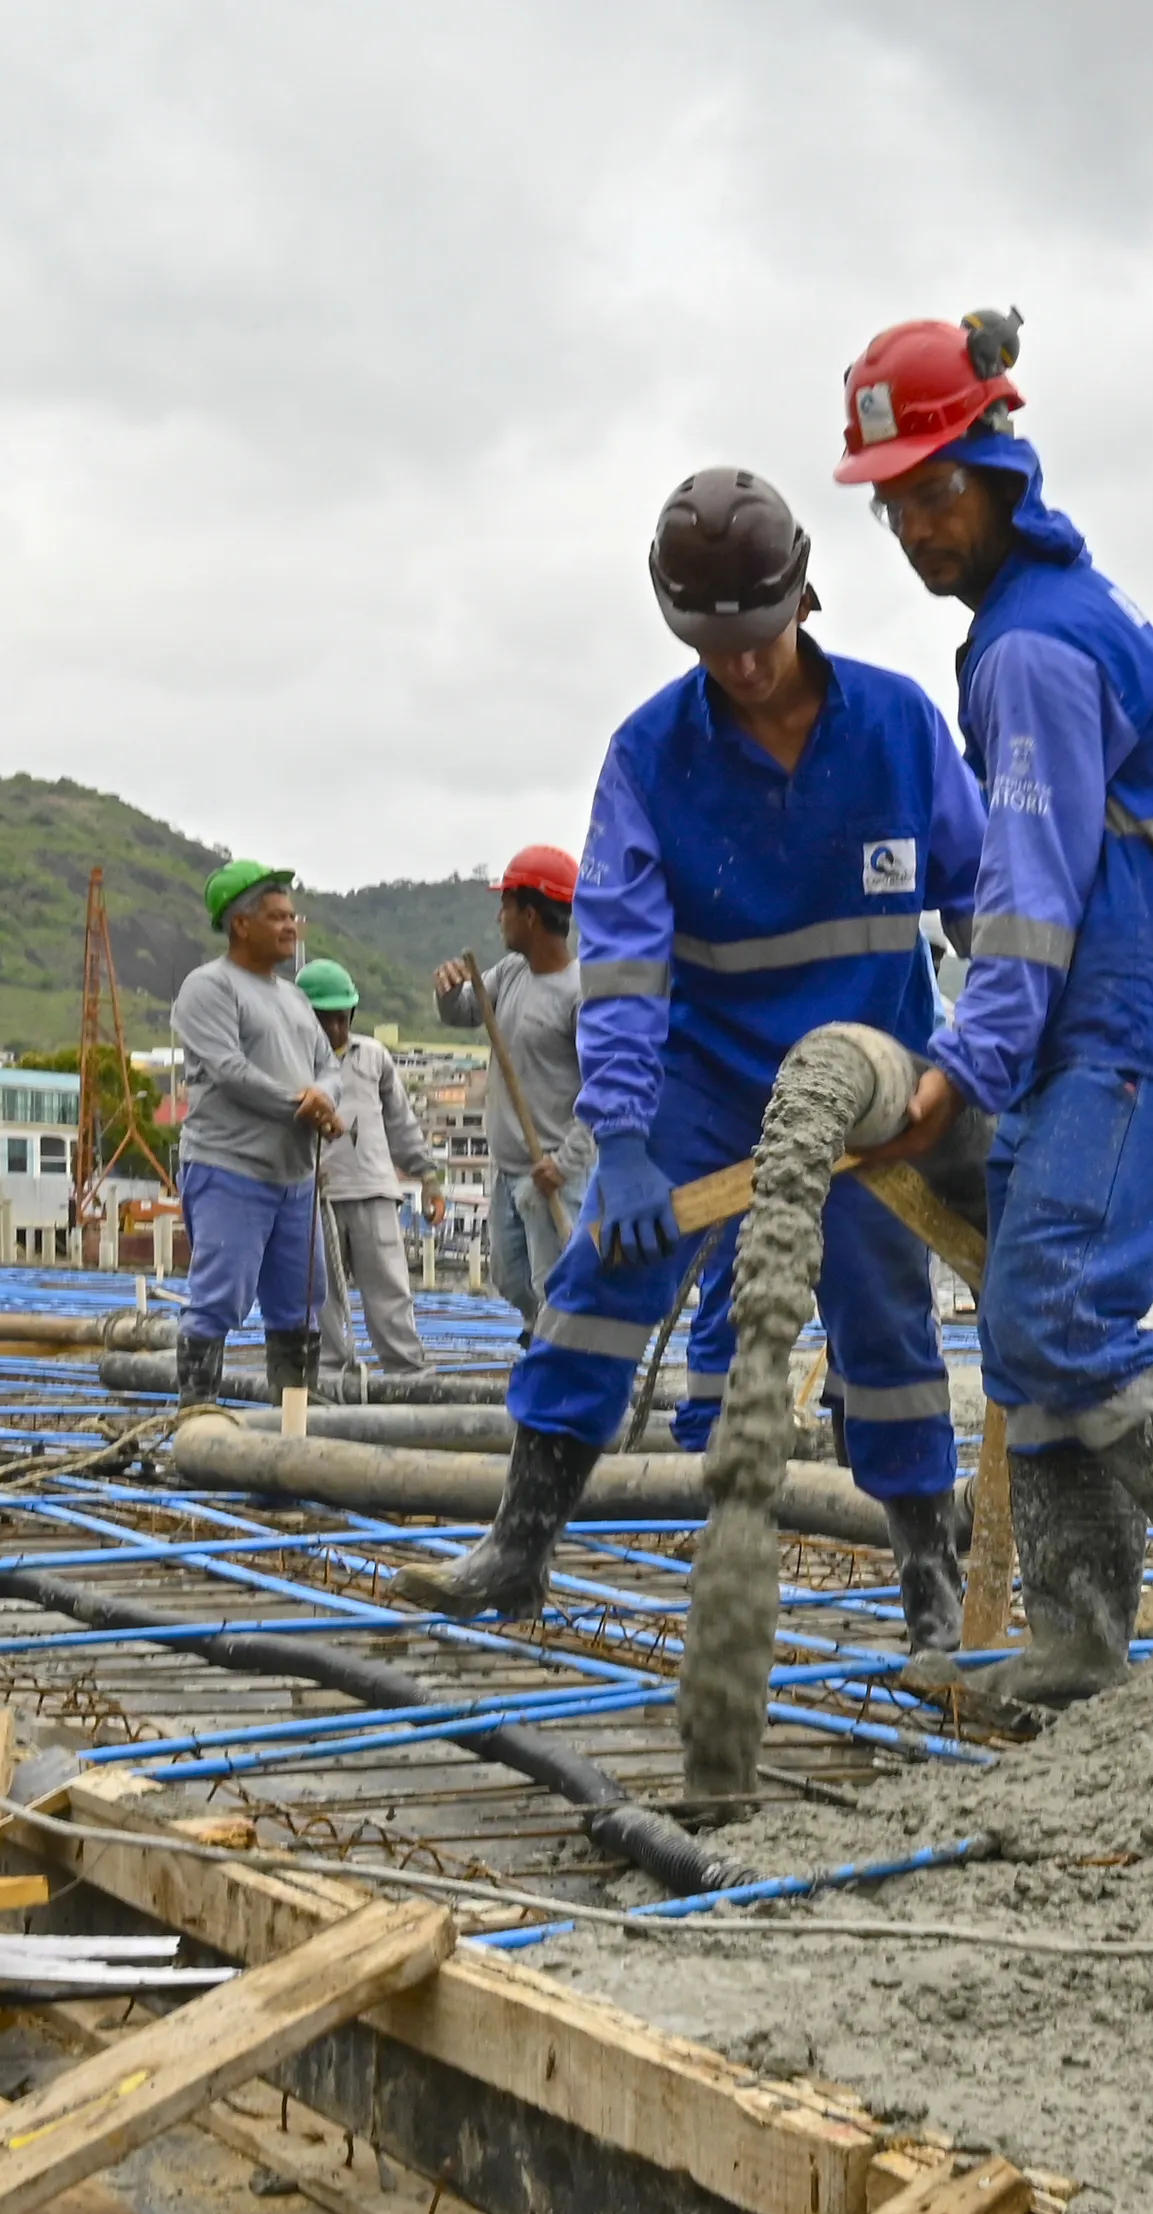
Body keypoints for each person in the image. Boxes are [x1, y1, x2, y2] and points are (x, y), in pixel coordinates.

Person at [399, 467, 981, 1676]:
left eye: (759, 640)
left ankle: (929, 1584)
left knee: (884, 1323)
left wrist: (986, 1062)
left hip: (866, 1080)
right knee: (597, 1285)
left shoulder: (898, 728)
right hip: (704, 1080)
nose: (742, 668)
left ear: (802, 601)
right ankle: (520, 1542)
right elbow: (621, 959)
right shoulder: (651, 757)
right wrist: (619, 1137)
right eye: (714, 648)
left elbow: (986, 903)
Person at [833, 306, 1153, 1701]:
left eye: (933, 493)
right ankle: (1074, 1645)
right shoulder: (1055, 621)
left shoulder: (1034, 649)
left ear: (1001, 462)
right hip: (1115, 1024)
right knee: (1029, 1321)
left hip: (1143, 1031)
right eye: (893, 507)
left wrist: (968, 1065)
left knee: (1053, 1306)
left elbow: (1033, 893)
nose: (918, 529)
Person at [167, 858, 340, 1405]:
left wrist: (325, 1095)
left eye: (294, 916)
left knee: (301, 1303)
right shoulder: (210, 987)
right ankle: (196, 1417)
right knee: (217, 1296)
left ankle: (293, 1430)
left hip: (294, 1178)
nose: (291, 927)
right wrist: (303, 1103)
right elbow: (229, 1071)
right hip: (230, 1168)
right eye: (277, 917)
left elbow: (326, 1065)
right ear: (241, 924)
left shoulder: (293, 998)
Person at [433, 844, 591, 1323]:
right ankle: (539, 1344)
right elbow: (463, 1013)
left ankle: (558, 1369)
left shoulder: (581, 994)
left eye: (505, 905)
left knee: (556, 1288)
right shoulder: (510, 973)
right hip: (508, 1171)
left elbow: (604, 1091)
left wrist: (565, 1164)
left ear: (530, 914)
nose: (499, 915)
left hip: (553, 1174)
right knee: (511, 1280)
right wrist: (447, 990)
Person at [299, 959, 440, 1379]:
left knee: (389, 1290)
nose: (337, 1031)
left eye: (343, 1020)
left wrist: (427, 1176)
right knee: (321, 1295)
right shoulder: (291, 1064)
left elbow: (400, 1122)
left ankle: (406, 1372)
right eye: (327, 1022)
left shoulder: (373, 1057)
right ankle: (330, 1376)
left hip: (373, 1191)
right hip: (315, 1197)